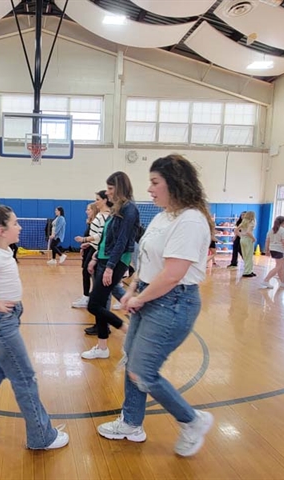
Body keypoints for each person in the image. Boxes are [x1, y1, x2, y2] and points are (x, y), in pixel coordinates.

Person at [97, 154, 214, 458]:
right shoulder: (164, 215)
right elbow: (146, 258)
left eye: (154, 182)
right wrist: (134, 288)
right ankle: (131, 423)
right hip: (151, 294)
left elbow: (173, 274)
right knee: (131, 360)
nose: (149, 189)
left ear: (174, 184)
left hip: (173, 303)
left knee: (143, 371)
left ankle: (192, 420)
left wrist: (139, 298)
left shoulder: (190, 220)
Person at [0, 201, 69, 450]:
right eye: (15, 223)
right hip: (0, 324)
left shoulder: (3, 250)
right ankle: (42, 436)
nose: (19, 227)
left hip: (2, 323)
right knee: (25, 378)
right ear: (1, 230)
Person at [82, 171, 138, 360]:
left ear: (121, 188)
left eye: (111, 189)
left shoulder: (130, 209)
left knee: (94, 305)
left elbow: (122, 241)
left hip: (116, 261)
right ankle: (102, 346)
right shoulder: (117, 208)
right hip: (105, 258)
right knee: (98, 303)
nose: (108, 193)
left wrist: (110, 267)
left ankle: (128, 331)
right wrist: (96, 257)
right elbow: (106, 237)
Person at [260, 216, 284, 289]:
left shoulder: (271, 230)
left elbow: (267, 241)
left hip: (273, 249)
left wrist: (267, 250)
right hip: (280, 250)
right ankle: (266, 280)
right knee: (278, 266)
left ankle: (283, 282)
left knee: (280, 266)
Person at [238, 211, 256, 278]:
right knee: (249, 255)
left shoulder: (243, 222)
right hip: (248, 239)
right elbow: (248, 232)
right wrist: (254, 238)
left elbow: (236, 230)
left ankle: (249, 270)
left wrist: (241, 236)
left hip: (242, 239)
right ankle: (247, 272)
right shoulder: (251, 222)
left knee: (245, 255)